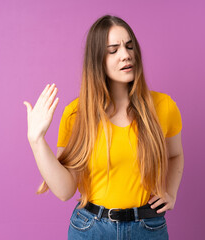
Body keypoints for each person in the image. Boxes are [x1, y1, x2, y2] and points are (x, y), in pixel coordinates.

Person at [23, 15, 184, 240]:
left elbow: (175, 155)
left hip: (148, 229)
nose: (126, 55)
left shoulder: (163, 107)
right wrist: (36, 141)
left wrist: (171, 193)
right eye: (113, 50)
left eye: (129, 47)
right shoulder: (75, 114)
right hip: (90, 229)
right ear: (97, 59)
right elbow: (65, 190)